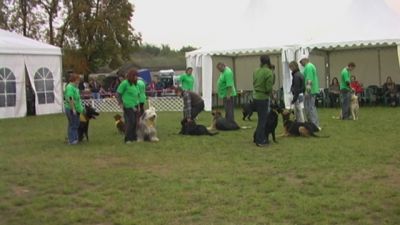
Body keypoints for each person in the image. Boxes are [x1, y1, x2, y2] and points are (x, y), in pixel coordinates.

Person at [252, 55, 274, 147]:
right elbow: (269, 88)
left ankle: (257, 137)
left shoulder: (256, 71)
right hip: (263, 97)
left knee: (260, 119)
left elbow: (254, 83)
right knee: (263, 120)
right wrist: (272, 95)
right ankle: (260, 140)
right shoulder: (269, 72)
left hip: (255, 96)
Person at [116, 69, 140, 144]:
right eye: (135, 76)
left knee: (135, 122)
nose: (136, 78)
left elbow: (137, 95)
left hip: (135, 105)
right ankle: (127, 139)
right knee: (130, 122)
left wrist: (138, 105)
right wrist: (120, 103)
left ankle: (134, 137)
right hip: (128, 105)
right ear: (131, 76)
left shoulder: (135, 84)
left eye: (137, 76)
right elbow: (118, 93)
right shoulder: (124, 83)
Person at [299, 56, 321, 130]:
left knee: (310, 108)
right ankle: (312, 124)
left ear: (305, 60)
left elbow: (309, 80)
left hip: (310, 91)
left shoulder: (308, 67)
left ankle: (315, 125)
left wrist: (307, 91)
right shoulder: (310, 66)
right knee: (310, 108)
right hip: (312, 90)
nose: (300, 63)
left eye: (301, 61)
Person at [64, 73, 84, 145]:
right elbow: (70, 98)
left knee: (74, 123)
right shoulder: (70, 87)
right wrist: (73, 109)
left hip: (76, 108)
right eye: (78, 80)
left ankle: (73, 138)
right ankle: (73, 140)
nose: (79, 81)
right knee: (74, 124)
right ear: (74, 80)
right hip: (71, 109)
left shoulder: (75, 87)